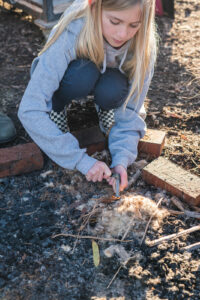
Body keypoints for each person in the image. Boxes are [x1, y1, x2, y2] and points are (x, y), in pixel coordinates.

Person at [18, 0, 157, 192]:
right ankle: (57, 106)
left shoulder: (143, 47)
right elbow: (30, 109)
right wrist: (79, 160)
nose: (123, 34)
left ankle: (105, 107)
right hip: (74, 78)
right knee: (82, 75)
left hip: (108, 80)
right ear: (94, 7)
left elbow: (131, 112)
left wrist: (121, 161)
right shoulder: (73, 29)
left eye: (134, 25)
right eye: (114, 21)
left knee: (113, 88)